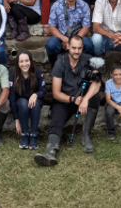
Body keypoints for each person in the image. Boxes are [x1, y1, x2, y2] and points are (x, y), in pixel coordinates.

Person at [34, 35, 102, 166]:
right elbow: (56, 93)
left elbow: (97, 83)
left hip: (82, 98)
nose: (76, 51)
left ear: (82, 48)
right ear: (68, 47)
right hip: (66, 99)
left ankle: (86, 136)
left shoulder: (88, 59)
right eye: (74, 48)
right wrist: (73, 99)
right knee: (56, 119)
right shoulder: (60, 62)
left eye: (79, 48)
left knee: (95, 97)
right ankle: (50, 151)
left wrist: (85, 99)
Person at [45, 0, 93, 69]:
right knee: (51, 44)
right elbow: (52, 27)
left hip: (78, 37)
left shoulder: (84, 5)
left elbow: (86, 28)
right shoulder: (56, 5)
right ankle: (55, 68)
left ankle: (84, 69)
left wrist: (73, 41)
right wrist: (65, 39)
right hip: (61, 38)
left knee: (88, 44)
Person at [8, 50, 47, 150]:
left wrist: (36, 94)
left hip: (35, 103)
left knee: (35, 103)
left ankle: (34, 135)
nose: (24, 64)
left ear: (31, 61)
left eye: (27, 60)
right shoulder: (13, 75)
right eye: (21, 61)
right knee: (23, 102)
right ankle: (24, 134)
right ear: (17, 63)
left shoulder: (38, 72)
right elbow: (11, 97)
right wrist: (16, 119)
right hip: (20, 104)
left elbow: (43, 90)